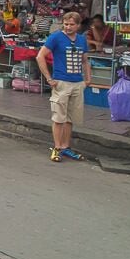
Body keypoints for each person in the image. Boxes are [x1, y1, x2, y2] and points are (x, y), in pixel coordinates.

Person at [36, 12, 91, 162]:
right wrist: (49, 78)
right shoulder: (56, 37)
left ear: (78, 25)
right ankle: (57, 147)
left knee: (70, 118)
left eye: (71, 24)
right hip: (61, 82)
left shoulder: (81, 39)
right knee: (59, 117)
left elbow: (85, 60)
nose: (68, 27)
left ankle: (66, 146)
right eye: (66, 24)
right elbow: (40, 56)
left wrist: (87, 79)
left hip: (77, 82)